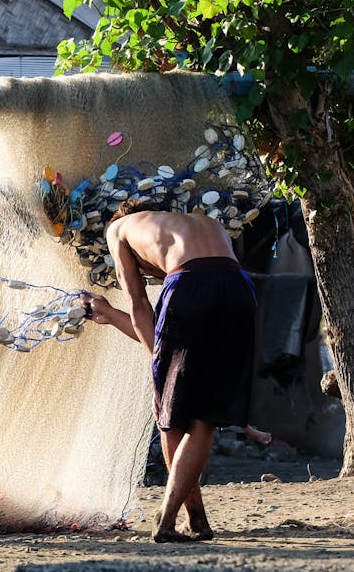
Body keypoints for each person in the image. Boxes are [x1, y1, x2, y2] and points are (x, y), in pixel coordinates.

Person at [81, 199, 257, 543]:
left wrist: (159, 374)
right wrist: (113, 317)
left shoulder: (118, 228)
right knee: (203, 415)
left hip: (191, 287)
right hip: (240, 289)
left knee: (172, 412)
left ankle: (165, 520)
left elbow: (138, 304)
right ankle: (197, 520)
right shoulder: (202, 220)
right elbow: (161, 331)